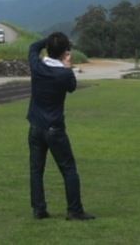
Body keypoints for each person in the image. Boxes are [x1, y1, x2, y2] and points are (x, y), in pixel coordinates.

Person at [27, 32, 94, 221]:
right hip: (54, 128)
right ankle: (74, 210)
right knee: (69, 169)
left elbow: (33, 48)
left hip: (35, 125)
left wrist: (48, 41)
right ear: (65, 52)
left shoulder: (37, 66)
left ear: (48, 48)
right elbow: (72, 87)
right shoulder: (64, 74)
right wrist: (67, 65)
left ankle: (39, 209)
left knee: (36, 170)